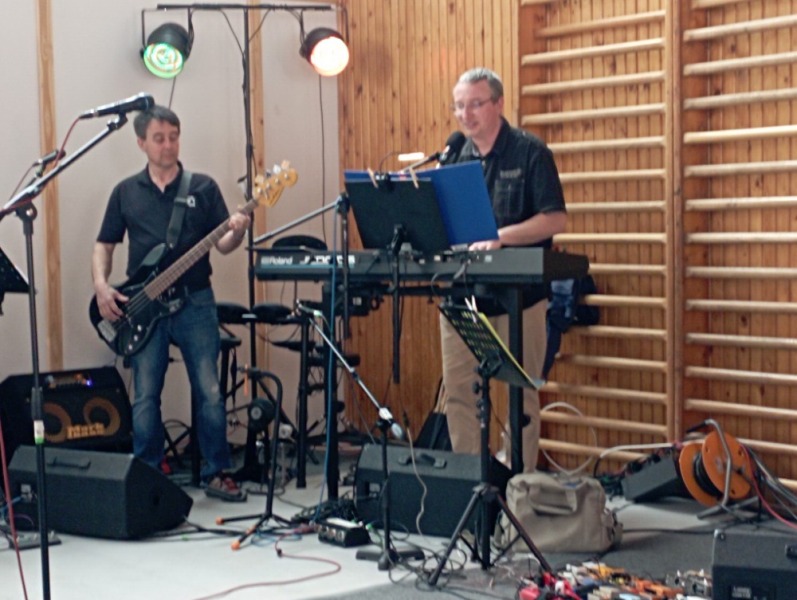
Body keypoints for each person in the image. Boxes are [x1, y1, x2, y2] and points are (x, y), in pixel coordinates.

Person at [92, 105, 250, 501]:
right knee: (146, 393)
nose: (168, 145)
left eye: (174, 137)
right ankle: (147, 474)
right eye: (159, 138)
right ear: (141, 143)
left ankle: (218, 472)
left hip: (195, 301)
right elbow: (104, 245)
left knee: (209, 389)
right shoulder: (125, 192)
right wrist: (101, 286)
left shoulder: (203, 188)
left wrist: (237, 231)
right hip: (144, 307)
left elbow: (224, 245)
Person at [440, 68, 567, 472]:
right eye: (459, 106)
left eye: (475, 104)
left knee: (519, 395)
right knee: (458, 392)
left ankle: (517, 483)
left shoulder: (530, 152)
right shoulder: (453, 157)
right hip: (464, 297)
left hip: (519, 299)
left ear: (498, 104)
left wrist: (501, 237)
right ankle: (468, 480)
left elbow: (555, 219)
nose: (465, 114)